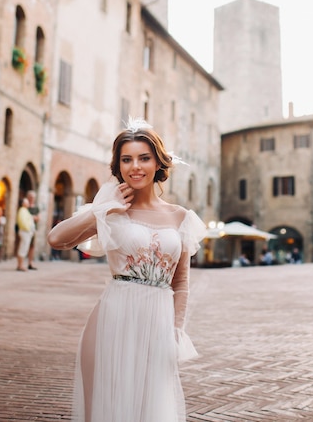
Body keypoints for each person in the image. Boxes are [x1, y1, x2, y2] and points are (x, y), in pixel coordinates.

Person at [48, 118, 207, 422]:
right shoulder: (110, 208)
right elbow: (56, 239)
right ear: (118, 165)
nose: (135, 166)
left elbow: (182, 283)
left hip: (158, 325)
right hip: (112, 319)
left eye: (144, 158)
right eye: (127, 159)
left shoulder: (180, 217)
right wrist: (103, 209)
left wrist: (175, 332)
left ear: (158, 162)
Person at [16, 198, 36, 271]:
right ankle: (20, 265)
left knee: (24, 247)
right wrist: (28, 229)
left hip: (27, 232)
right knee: (23, 248)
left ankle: (20, 265)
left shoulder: (25, 211)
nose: (27, 203)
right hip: (25, 232)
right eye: (26, 202)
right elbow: (23, 221)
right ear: (23, 203)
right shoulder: (22, 210)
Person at [26, 190, 40, 270]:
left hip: (33, 229)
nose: (31, 199)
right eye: (30, 197)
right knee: (24, 245)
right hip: (25, 228)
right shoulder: (25, 206)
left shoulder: (35, 208)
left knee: (31, 246)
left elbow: (38, 218)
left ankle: (30, 262)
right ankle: (20, 263)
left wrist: (32, 217)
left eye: (33, 197)